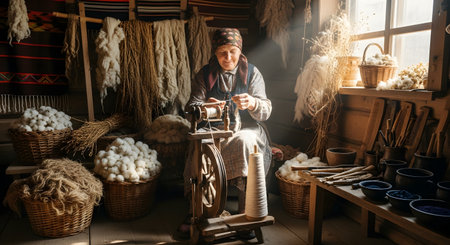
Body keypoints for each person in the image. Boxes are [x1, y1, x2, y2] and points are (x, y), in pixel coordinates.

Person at [177, 28, 272, 240]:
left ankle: (245, 212)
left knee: (245, 141)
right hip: (214, 129)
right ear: (215, 52)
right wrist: (204, 106)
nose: (227, 57)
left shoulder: (252, 73)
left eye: (232, 51)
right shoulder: (205, 75)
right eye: (222, 52)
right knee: (200, 147)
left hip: (247, 128)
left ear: (240, 51)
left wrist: (253, 102)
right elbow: (190, 108)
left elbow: (266, 109)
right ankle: (197, 212)